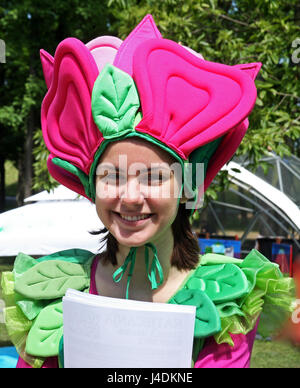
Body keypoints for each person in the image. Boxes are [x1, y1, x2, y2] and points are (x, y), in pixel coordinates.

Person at [1, 15, 294, 368]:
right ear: (92, 186)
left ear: (186, 187)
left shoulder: (226, 298)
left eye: (153, 177)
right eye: (113, 175)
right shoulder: (52, 292)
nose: (130, 197)